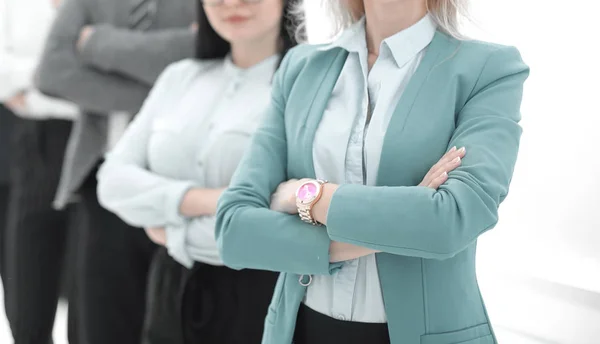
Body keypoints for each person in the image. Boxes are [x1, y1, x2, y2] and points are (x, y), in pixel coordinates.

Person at [215, 0, 530, 343]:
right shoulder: (300, 67)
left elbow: (452, 219)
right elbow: (234, 229)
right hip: (299, 330)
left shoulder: (488, 69)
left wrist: (308, 195)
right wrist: (405, 217)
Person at [96, 0, 298, 343]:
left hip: (260, 295)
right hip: (169, 291)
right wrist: (208, 200)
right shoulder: (180, 77)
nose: (232, 3)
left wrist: (174, 232)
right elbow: (112, 181)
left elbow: (289, 212)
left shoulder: (303, 87)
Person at [34, 0, 197, 343]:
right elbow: (51, 71)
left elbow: (202, 51)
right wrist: (159, 88)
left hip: (184, 188)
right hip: (102, 187)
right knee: (100, 326)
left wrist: (96, 44)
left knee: (175, 324)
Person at [0, 0, 81, 342]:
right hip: (31, 144)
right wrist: (64, 78)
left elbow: (113, 78)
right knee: (25, 295)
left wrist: (34, 84)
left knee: (91, 295)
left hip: (98, 144)